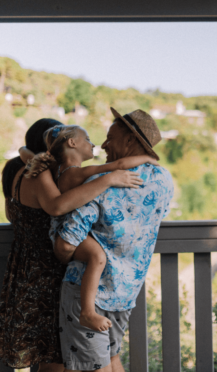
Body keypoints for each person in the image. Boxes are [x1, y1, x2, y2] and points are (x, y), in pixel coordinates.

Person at [0, 118, 143, 372]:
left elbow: (15, 215)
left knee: (48, 357)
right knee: (57, 360)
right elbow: (58, 206)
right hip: (49, 274)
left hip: (24, 270)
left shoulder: (18, 171)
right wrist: (109, 180)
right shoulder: (41, 174)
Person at [51, 108, 174, 372]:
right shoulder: (164, 180)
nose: (103, 144)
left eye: (110, 137)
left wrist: (69, 253)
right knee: (112, 360)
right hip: (126, 292)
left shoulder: (102, 182)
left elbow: (65, 244)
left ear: (130, 140)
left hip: (88, 294)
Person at [21, 124, 159, 333]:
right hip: (65, 231)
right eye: (86, 138)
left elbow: (26, 154)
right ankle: (87, 311)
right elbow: (119, 164)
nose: (93, 143)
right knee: (98, 256)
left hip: (61, 230)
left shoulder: (56, 170)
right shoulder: (77, 173)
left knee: (97, 255)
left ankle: (87, 311)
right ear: (72, 143)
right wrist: (148, 159)